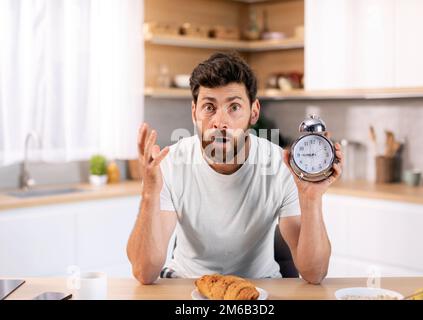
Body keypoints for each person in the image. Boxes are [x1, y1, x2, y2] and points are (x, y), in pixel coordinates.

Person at [127, 52, 344, 284]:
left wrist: (311, 199)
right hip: (186, 281)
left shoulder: (281, 166)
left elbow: (315, 273)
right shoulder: (170, 163)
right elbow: (144, 272)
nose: (220, 122)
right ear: (194, 112)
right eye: (209, 107)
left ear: (254, 112)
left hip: (259, 284)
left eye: (234, 107)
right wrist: (149, 193)